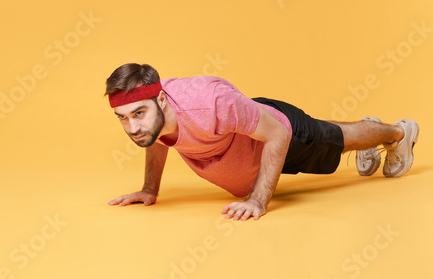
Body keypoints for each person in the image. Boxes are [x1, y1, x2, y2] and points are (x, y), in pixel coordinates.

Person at [106, 63, 419, 221]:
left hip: (284, 135)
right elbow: (156, 136)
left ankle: (399, 134)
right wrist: (149, 189)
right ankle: (370, 129)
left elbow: (278, 134)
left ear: (162, 99)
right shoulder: (155, 116)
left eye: (139, 113)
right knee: (329, 132)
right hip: (252, 123)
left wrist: (257, 201)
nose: (133, 127)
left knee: (337, 139)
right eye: (122, 117)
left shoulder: (211, 103)